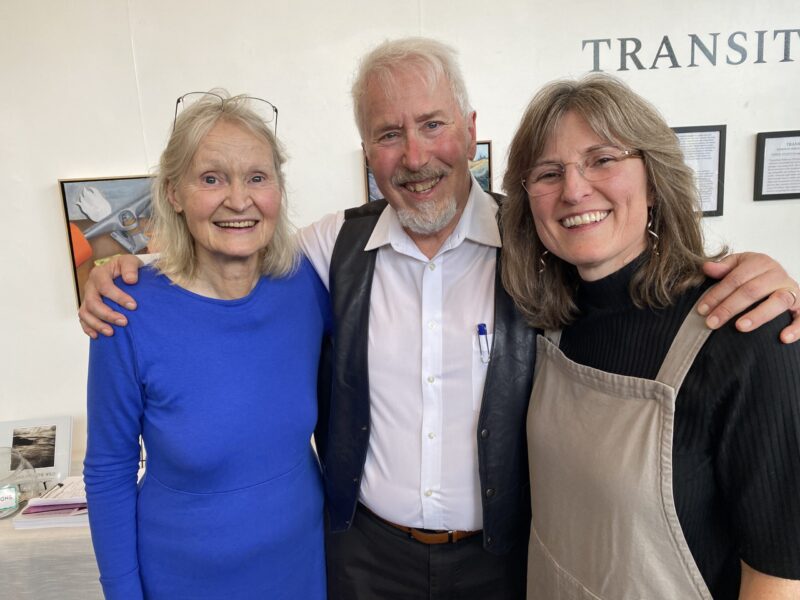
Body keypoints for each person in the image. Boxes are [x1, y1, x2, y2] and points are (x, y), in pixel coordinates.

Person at [78, 39, 800, 599]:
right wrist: (116, 269)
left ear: (470, 128)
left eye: (433, 125)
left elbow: (632, 278)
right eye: (389, 133)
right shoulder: (330, 250)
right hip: (364, 559)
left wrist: (767, 277)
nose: (415, 155)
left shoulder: (540, 241)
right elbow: (226, 272)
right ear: (367, 149)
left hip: (502, 562)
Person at [500, 73, 800, 599]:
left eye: (603, 160)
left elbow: (778, 574)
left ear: (655, 179)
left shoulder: (744, 331)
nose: (574, 190)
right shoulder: (544, 324)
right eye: (548, 173)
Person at [83, 92, 331, 599]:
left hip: (303, 569)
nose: (238, 200)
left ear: (278, 190)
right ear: (174, 193)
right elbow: (109, 470)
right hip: (183, 579)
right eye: (211, 178)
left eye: (257, 178)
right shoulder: (126, 311)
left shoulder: (305, 284)